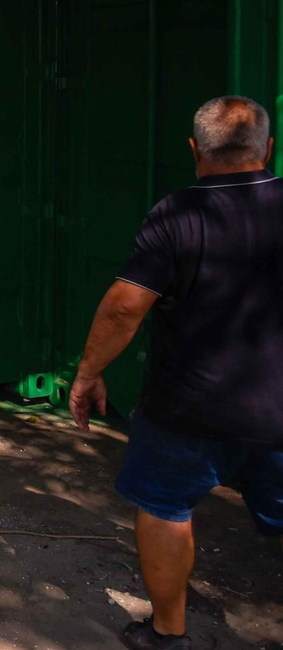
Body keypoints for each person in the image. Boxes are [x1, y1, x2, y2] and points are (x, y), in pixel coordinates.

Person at [71, 96, 283, 650]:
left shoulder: (177, 216)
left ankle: (169, 634)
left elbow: (123, 307)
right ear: (269, 147)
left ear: (195, 151)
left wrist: (89, 373)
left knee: (165, 507)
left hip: (188, 409)